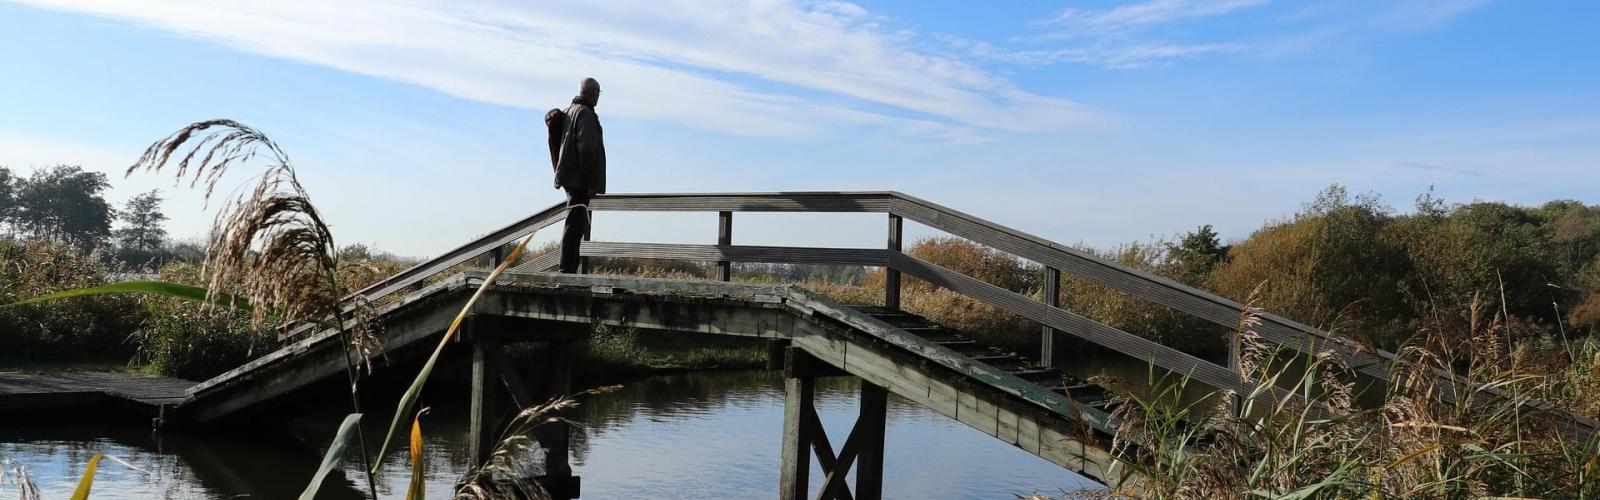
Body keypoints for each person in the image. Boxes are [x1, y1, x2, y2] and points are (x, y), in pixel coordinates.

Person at [553, 77, 606, 273]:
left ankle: (567, 270)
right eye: (598, 94)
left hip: (569, 178)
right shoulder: (585, 114)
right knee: (575, 227)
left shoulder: (569, 111)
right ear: (593, 93)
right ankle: (567, 272)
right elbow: (587, 150)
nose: (598, 98)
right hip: (579, 181)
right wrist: (592, 184)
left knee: (574, 225)